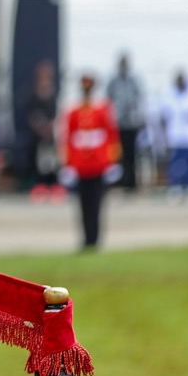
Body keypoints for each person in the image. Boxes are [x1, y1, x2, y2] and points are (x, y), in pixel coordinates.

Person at [60, 74, 120, 250]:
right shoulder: (73, 113)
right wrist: (68, 164)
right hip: (81, 166)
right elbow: (68, 139)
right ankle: (86, 239)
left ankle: (96, 239)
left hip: (98, 164)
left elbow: (111, 136)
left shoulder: (102, 110)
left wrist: (112, 161)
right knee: (83, 206)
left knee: (97, 204)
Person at [18, 60, 63, 202]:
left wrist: (51, 127)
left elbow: (58, 114)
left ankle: (54, 186)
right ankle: (40, 186)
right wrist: (41, 128)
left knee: (53, 161)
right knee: (40, 162)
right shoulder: (33, 94)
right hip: (38, 136)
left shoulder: (54, 95)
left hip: (51, 135)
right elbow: (31, 115)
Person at [159, 71, 188, 202]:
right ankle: (175, 186)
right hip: (175, 135)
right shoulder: (169, 96)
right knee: (176, 163)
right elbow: (164, 117)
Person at [107, 55, 146, 191]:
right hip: (118, 123)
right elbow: (109, 99)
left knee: (132, 154)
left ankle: (132, 183)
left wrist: (141, 118)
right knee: (119, 154)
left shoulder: (134, 81)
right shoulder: (113, 81)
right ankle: (121, 182)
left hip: (132, 123)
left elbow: (140, 99)